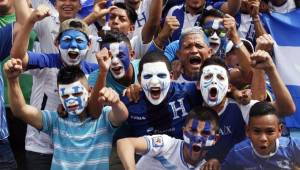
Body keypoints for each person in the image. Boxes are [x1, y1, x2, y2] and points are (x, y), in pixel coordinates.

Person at [4, 60, 129, 169]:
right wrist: (13, 80)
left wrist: (116, 102)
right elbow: (20, 110)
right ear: (59, 96)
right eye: (65, 95)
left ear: (90, 91)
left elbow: (122, 115)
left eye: (77, 94)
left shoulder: (104, 117)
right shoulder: (55, 120)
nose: (71, 100)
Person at [198, 54, 295, 169]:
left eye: (220, 78)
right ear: (198, 85)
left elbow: (287, 109)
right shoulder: (190, 108)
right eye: (208, 77)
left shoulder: (242, 107)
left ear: (229, 86)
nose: (214, 82)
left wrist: (271, 69)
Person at [117, 107, 220, 170]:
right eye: (193, 130)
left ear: (215, 139)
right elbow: (125, 143)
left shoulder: (206, 167)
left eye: (205, 133)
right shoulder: (166, 145)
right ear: (184, 132)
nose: (197, 137)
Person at [222, 101, 300, 170]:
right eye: (257, 131)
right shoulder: (237, 153)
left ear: (279, 130)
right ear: (247, 130)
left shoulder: (293, 147)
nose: (263, 138)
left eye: (270, 131)